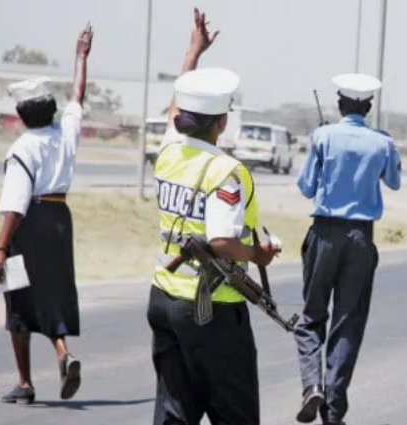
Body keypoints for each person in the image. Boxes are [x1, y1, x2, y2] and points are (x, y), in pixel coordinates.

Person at [146, 8, 281, 425]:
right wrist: (259, 254)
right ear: (221, 122)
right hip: (211, 308)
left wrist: (193, 52)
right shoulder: (225, 170)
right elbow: (223, 242)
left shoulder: (169, 150)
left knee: (175, 411)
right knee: (234, 414)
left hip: (164, 297)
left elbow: (174, 108)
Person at [0, 24, 93, 405]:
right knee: (50, 293)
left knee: (17, 298)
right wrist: (81, 56)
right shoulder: (65, 132)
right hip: (60, 218)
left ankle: (26, 382)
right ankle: (63, 353)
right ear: (50, 109)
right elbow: (78, 95)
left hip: (28, 224)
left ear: (19, 114)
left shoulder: (22, 148)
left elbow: (15, 202)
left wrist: (0, 248)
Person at [294, 73, 402, 425]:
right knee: (347, 322)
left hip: (324, 233)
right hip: (360, 237)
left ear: (340, 105)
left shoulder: (322, 137)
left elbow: (307, 187)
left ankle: (312, 384)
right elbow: (395, 181)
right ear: (369, 107)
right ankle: (334, 407)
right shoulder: (382, 142)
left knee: (311, 318)